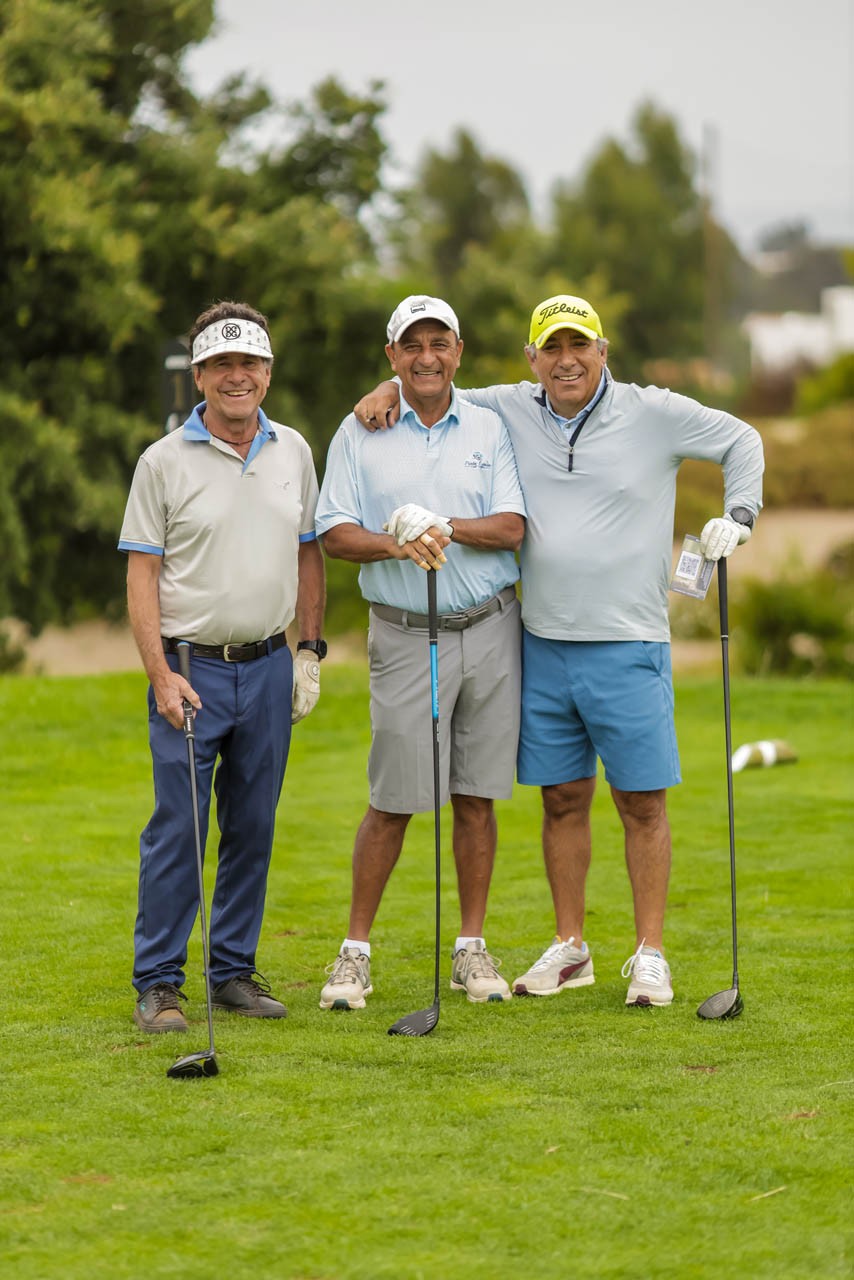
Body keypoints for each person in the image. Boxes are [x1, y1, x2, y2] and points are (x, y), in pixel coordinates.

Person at [354, 293, 764, 1008]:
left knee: (641, 803)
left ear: (603, 351)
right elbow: (435, 385)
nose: (566, 361)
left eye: (580, 346)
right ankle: (571, 945)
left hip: (629, 640)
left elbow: (743, 439)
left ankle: (650, 953)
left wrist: (739, 514)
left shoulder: (653, 411)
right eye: (552, 348)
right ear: (532, 359)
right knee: (563, 800)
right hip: (540, 641)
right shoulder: (510, 406)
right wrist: (389, 387)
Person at [119, 301, 326, 1033]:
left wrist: (310, 651)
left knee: (254, 825)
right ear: (200, 374)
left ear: (268, 372)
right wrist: (158, 674)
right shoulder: (162, 461)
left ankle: (232, 970)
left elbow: (308, 552)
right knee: (179, 827)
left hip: (268, 665)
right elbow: (142, 575)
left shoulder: (293, 450)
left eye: (251, 363)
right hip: (189, 670)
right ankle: (159, 983)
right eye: (222, 364)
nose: (238, 376)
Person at [315, 294, 526, 1010]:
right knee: (394, 798)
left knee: (476, 796)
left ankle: (471, 948)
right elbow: (334, 532)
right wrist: (395, 542)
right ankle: (355, 953)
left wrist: (444, 526)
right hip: (407, 634)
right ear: (392, 356)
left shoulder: (489, 426)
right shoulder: (360, 430)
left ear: (459, 352)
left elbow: (511, 527)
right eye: (412, 345)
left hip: (490, 628)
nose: (427, 357)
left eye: (440, 343)